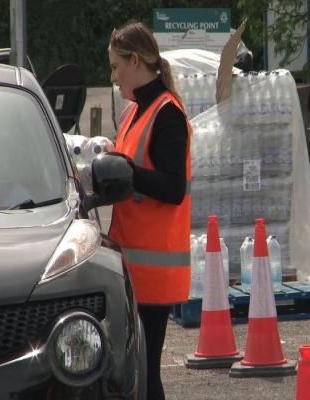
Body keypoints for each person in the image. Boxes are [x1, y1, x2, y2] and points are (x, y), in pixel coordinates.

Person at [107, 21, 191, 400]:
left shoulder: (167, 113)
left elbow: (173, 189)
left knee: (145, 375)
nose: (113, 76)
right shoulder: (134, 112)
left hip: (153, 273)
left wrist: (125, 172)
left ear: (136, 61)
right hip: (132, 265)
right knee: (135, 373)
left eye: (116, 67)